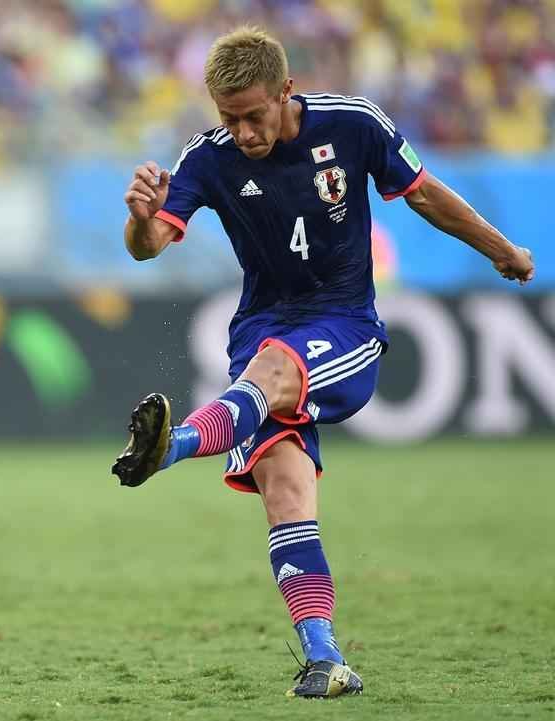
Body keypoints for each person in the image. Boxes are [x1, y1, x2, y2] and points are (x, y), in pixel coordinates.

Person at [110, 27, 535, 699]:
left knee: (271, 370)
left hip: (343, 325)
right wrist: (139, 217)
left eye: (253, 116)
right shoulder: (208, 156)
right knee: (285, 493)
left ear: (286, 90)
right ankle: (325, 658)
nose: (242, 132)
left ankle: (172, 447)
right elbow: (149, 245)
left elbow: (423, 192)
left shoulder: (354, 123)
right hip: (261, 330)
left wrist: (502, 249)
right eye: (228, 117)